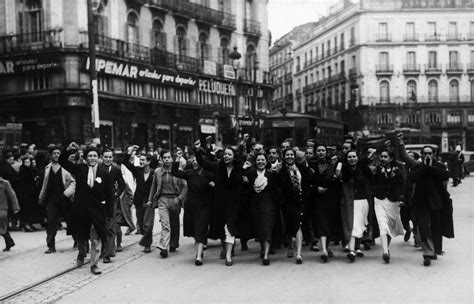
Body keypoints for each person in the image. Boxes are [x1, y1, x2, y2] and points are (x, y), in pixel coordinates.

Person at [59, 143, 114, 275]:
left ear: (98, 157)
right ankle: (81, 253)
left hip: (97, 211)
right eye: (90, 155)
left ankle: (94, 264)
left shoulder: (104, 174)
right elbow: (62, 161)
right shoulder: (79, 169)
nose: (92, 158)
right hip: (81, 210)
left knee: (96, 239)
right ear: (85, 157)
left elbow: (109, 195)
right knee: (82, 237)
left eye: (95, 155)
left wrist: (109, 213)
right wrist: (67, 150)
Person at [195, 140, 244, 266]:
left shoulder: (239, 169)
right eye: (225, 154)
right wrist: (197, 150)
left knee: (230, 227)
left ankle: (228, 255)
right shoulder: (218, 166)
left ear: (234, 157)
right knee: (222, 228)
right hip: (219, 203)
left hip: (234, 204)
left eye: (229, 154)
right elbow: (202, 162)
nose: (226, 156)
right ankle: (225, 248)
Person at [408, 145, 452, 266]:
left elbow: (445, 175)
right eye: (425, 153)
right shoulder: (417, 166)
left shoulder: (439, 166)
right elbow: (412, 178)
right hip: (420, 203)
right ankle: (427, 253)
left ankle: (434, 250)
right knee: (424, 227)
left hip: (436, 202)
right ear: (421, 155)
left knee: (435, 228)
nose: (427, 155)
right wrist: (424, 167)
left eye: (430, 153)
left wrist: (430, 168)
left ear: (433, 155)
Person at [171, 153, 214, 266]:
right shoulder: (190, 174)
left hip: (204, 207)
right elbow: (175, 172)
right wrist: (177, 159)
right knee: (195, 231)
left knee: (200, 229)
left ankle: (198, 256)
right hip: (191, 207)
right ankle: (199, 249)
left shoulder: (209, 175)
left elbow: (218, 185)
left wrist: (212, 185)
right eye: (193, 161)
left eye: (197, 160)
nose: (194, 162)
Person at [146, 150, 187, 258]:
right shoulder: (158, 171)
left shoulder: (178, 171)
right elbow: (153, 186)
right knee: (165, 224)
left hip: (175, 199)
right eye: (164, 158)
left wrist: (180, 198)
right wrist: (150, 200)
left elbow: (185, 186)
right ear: (161, 159)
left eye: (168, 157)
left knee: (174, 223)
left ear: (172, 159)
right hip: (163, 199)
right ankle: (164, 247)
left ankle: (173, 243)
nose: (167, 159)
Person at [338, 150, 374, 262]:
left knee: (361, 224)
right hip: (351, 201)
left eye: (354, 156)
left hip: (363, 200)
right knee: (353, 225)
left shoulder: (364, 170)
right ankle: (352, 250)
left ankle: (357, 247)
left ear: (358, 158)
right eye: (349, 157)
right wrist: (338, 165)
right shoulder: (343, 170)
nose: (352, 159)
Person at [38, 146, 76, 253]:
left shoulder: (66, 167)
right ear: (50, 155)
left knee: (70, 220)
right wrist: (41, 197)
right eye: (54, 153)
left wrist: (67, 193)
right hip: (51, 200)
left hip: (65, 198)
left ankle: (77, 240)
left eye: (58, 153)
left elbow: (74, 182)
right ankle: (51, 245)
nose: (56, 155)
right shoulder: (47, 168)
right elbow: (44, 185)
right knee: (51, 221)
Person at [243, 153, 279, 265]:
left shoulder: (271, 175)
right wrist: (247, 183)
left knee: (267, 227)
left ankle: (266, 254)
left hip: (268, 204)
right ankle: (263, 248)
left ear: (266, 161)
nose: (260, 162)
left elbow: (276, 190)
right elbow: (247, 191)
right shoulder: (250, 174)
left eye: (263, 160)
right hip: (254, 204)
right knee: (259, 228)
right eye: (258, 160)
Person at [308, 145, 340, 262]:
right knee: (321, 222)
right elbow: (308, 181)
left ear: (326, 152)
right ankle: (324, 251)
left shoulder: (332, 163)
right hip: (317, 197)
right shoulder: (311, 164)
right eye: (319, 150)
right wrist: (316, 188)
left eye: (323, 151)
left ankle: (327, 247)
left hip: (331, 197)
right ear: (316, 152)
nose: (321, 152)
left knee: (330, 222)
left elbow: (335, 179)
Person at [372, 150, 405, 263]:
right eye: (381, 156)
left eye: (385, 156)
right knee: (382, 225)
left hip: (393, 202)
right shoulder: (377, 170)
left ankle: (386, 248)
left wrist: (401, 198)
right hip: (379, 200)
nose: (382, 158)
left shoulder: (398, 171)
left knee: (390, 226)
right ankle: (385, 252)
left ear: (391, 159)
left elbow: (402, 185)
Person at [279, 148, 310, 264]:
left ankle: (299, 253)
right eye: (287, 154)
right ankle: (290, 247)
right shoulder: (281, 169)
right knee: (288, 224)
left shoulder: (300, 168)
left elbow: (306, 181)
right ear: (284, 156)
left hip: (299, 200)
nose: (289, 156)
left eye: (291, 154)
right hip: (287, 201)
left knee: (298, 225)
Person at [100, 148, 126, 263]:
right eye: (106, 157)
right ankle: (100, 249)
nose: (108, 159)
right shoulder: (97, 169)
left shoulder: (116, 170)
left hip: (111, 201)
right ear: (101, 157)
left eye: (110, 157)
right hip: (99, 201)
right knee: (100, 226)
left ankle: (108, 253)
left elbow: (122, 184)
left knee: (110, 226)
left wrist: (116, 194)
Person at [122, 147, 154, 237]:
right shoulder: (137, 170)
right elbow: (125, 162)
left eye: (143, 160)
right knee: (140, 222)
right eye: (140, 160)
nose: (141, 162)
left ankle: (147, 243)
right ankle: (145, 238)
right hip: (139, 201)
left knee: (147, 223)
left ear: (148, 162)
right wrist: (130, 151)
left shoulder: (154, 173)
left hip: (149, 201)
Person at [17, 155, 39, 232]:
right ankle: (26, 224)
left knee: (30, 209)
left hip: (31, 193)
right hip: (25, 194)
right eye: (25, 162)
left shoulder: (32, 170)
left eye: (28, 162)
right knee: (26, 209)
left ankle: (30, 223)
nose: (27, 163)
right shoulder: (22, 170)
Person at [0, 176, 20, 251]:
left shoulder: (5, 183)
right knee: (2, 227)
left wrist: (16, 208)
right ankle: (9, 242)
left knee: (2, 226)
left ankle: (9, 242)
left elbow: (12, 196)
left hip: (2, 209)